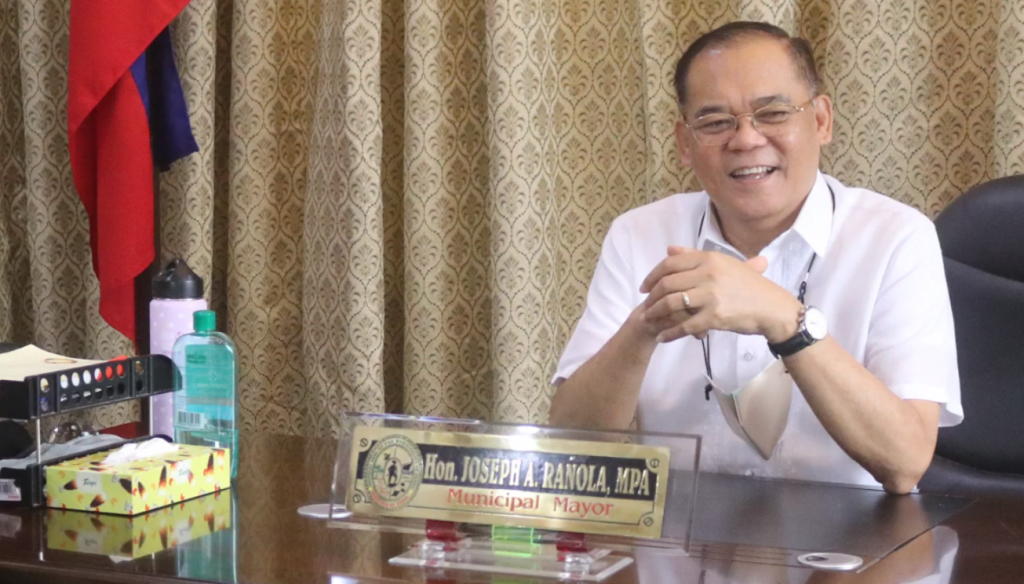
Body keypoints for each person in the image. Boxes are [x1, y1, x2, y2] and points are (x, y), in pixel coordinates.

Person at [549, 22, 962, 494]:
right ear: (685, 143)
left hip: (854, 536)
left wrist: (785, 319)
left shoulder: (896, 237)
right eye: (715, 122)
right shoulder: (639, 235)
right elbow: (571, 444)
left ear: (821, 121)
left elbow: (905, 462)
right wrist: (644, 326)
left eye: (773, 113)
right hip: (682, 534)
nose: (745, 140)